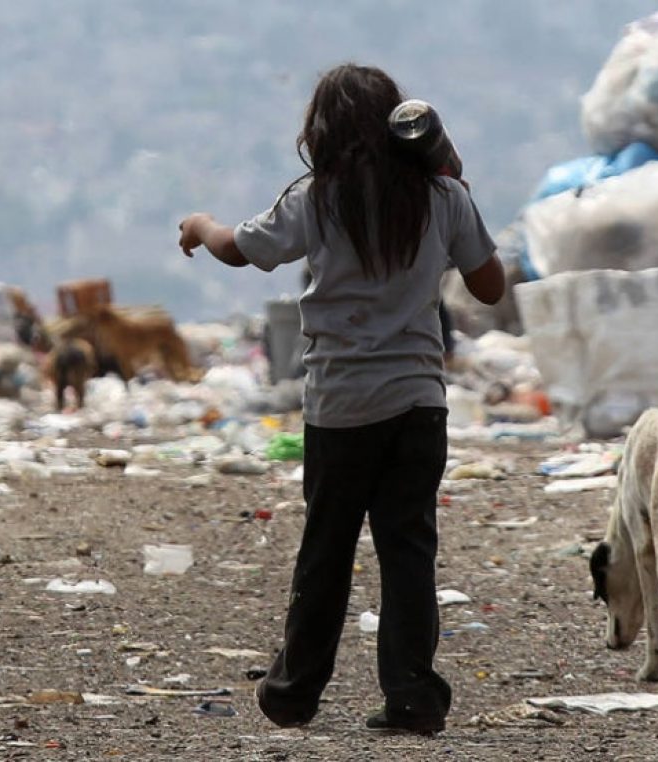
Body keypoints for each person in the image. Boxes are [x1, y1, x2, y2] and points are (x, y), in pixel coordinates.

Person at [177, 63, 504, 735]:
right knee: (408, 550)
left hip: (341, 405)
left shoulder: (317, 198)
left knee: (326, 549)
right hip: (419, 403)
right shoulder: (441, 198)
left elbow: (242, 250)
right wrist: (457, 186)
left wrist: (200, 225)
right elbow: (492, 286)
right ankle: (414, 698)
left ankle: (294, 693)